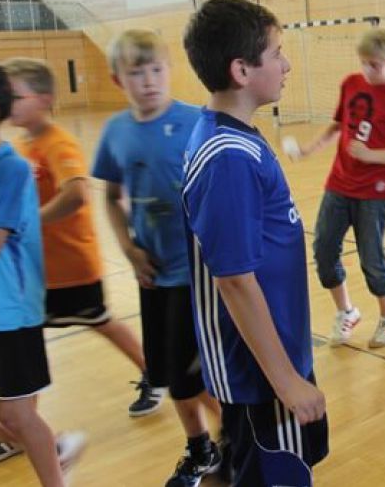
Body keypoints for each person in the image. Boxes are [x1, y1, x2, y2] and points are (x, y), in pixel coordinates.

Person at [0, 58, 150, 468]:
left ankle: (151, 371)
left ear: (44, 99)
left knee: (101, 321)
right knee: (17, 399)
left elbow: (77, 193)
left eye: (17, 96)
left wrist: (29, 220)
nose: (11, 103)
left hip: (67, 268)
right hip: (31, 278)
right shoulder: (17, 149)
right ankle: (29, 432)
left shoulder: (51, 146)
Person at [181, 0, 328, 486]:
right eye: (276, 53)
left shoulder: (236, 138)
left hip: (271, 360)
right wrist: (286, 381)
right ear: (241, 70)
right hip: (260, 376)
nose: (286, 65)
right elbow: (235, 281)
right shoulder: (228, 157)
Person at [92, 30, 221, 487]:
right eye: (136, 72)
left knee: (196, 375)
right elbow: (111, 197)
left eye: (155, 70)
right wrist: (129, 250)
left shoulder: (198, 122)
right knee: (170, 374)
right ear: (117, 79)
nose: (148, 81)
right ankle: (201, 448)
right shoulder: (116, 132)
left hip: (199, 277)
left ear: (169, 70)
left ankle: (236, 441)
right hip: (155, 277)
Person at [0, 58, 85, 486]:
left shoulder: (13, 170)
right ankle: (55, 449)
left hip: (10, 314)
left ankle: (52, 467)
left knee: (16, 414)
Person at [290, 27, 385, 348]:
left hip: (376, 191)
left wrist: (371, 155)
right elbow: (338, 125)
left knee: (371, 257)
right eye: (363, 63)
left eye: (375, 64)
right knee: (323, 250)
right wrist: (310, 148)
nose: (367, 70)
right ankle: (346, 311)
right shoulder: (350, 84)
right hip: (339, 183)